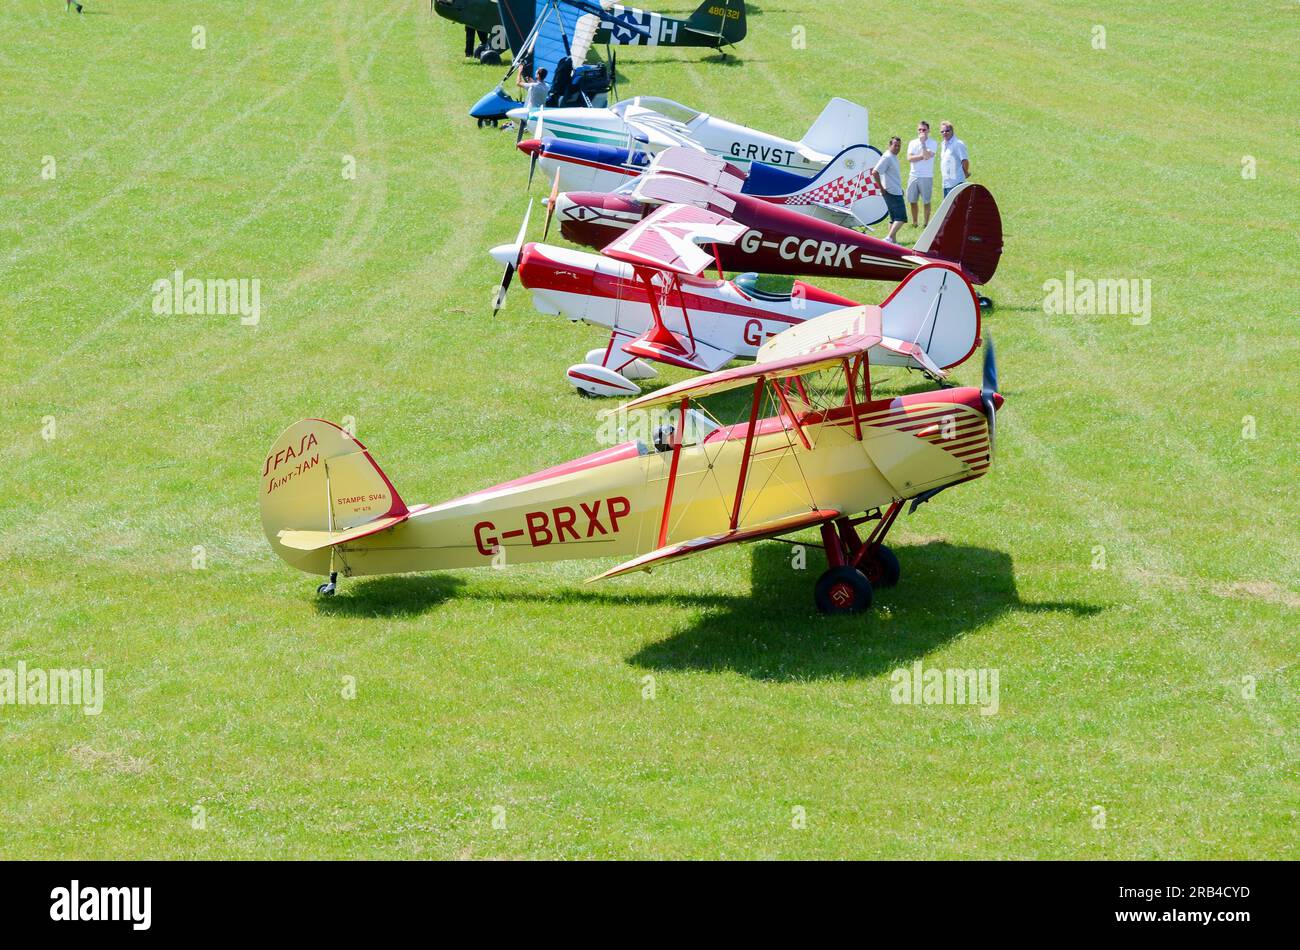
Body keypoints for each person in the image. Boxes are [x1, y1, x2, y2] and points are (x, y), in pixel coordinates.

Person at [871, 137, 907, 244]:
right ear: (890, 145)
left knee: (894, 218)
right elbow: (875, 172)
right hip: (891, 192)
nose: (897, 148)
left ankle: (893, 241)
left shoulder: (893, 156)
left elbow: (893, 176)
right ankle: (889, 238)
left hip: (895, 190)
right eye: (895, 145)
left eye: (899, 146)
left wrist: (900, 188)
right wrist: (881, 189)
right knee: (901, 218)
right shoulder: (887, 157)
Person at [905, 121, 936, 228]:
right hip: (913, 175)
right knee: (912, 200)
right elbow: (909, 158)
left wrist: (923, 144)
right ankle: (914, 222)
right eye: (919, 130)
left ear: (928, 130)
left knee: (926, 201)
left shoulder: (933, 143)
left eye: (924, 130)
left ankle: (926, 223)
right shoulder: (912, 143)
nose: (921, 132)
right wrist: (923, 155)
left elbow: (927, 156)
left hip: (926, 176)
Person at [939, 121, 970, 198]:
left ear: (952, 131)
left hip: (956, 184)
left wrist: (965, 173)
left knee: (957, 209)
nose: (944, 133)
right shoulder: (943, 144)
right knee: (948, 209)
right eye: (942, 131)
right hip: (946, 184)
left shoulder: (958, 144)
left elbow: (965, 160)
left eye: (947, 131)